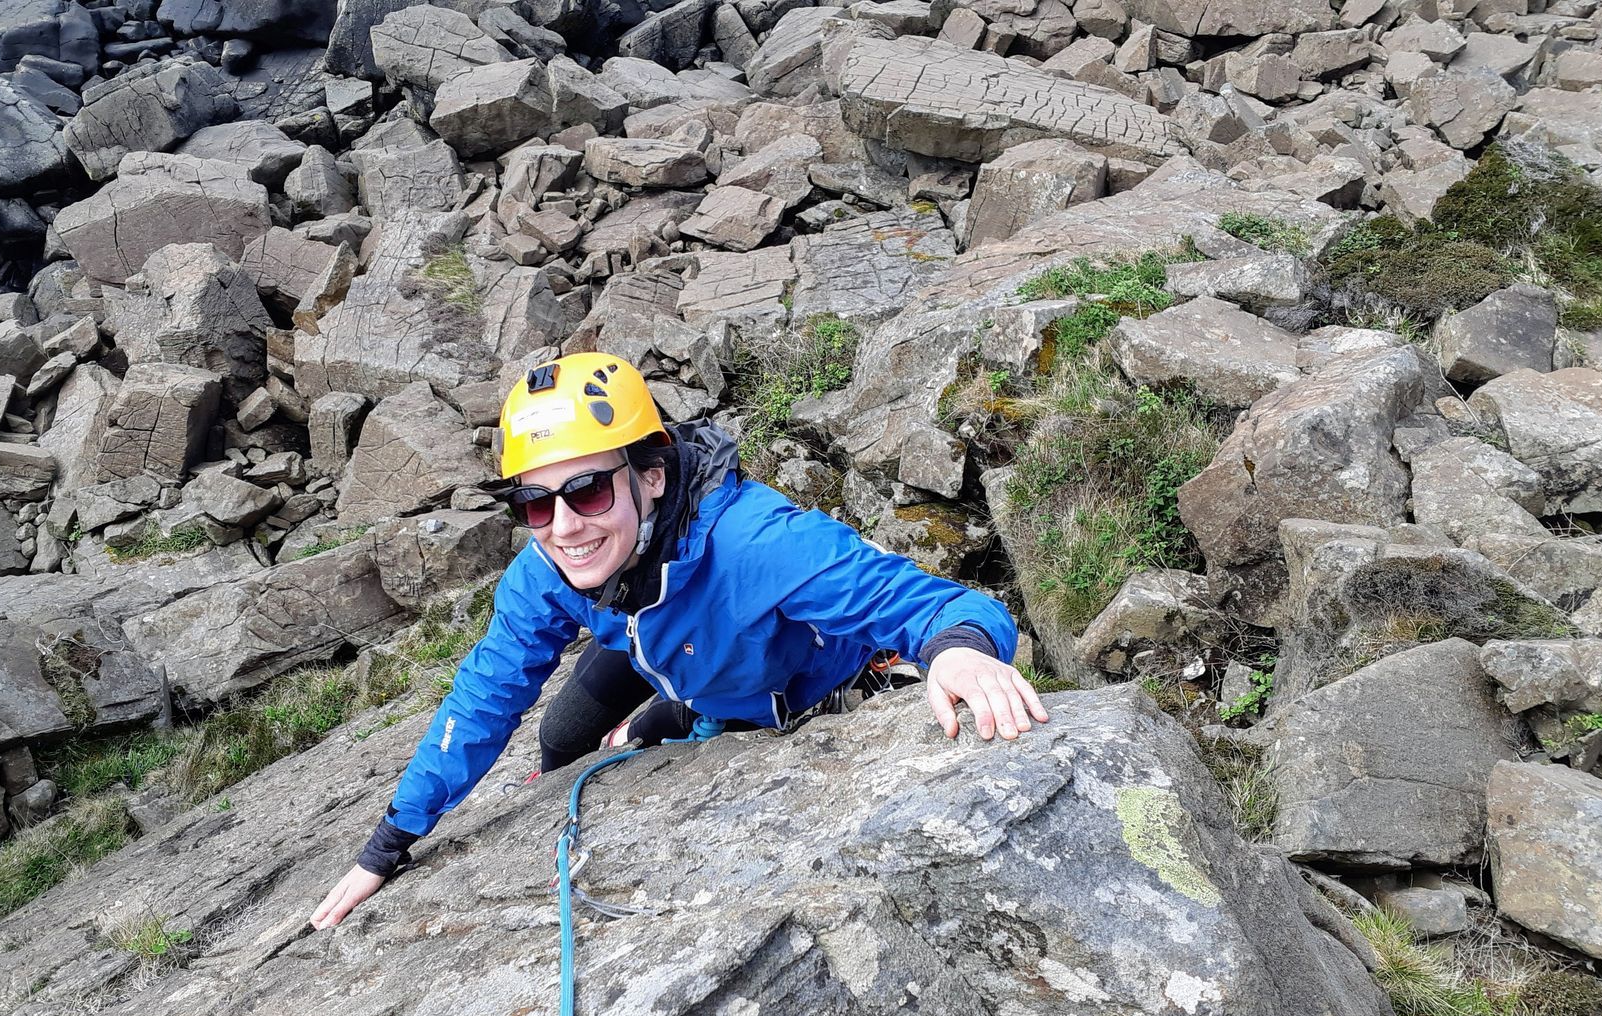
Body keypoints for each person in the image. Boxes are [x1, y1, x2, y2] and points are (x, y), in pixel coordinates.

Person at [310, 352, 1049, 929]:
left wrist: (958, 649)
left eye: (589, 491)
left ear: (653, 477)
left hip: (778, 685)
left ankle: (671, 719)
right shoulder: (547, 568)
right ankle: (663, 715)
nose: (564, 526)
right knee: (563, 739)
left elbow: (938, 606)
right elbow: (485, 696)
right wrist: (389, 842)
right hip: (663, 647)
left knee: (693, 715)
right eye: (534, 502)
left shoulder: (754, 543)